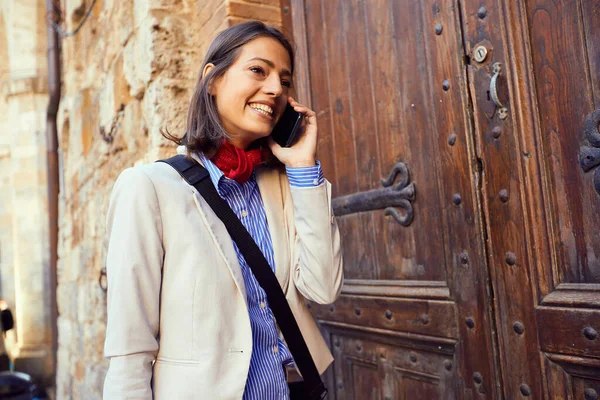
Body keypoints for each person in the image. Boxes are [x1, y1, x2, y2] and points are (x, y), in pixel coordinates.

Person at [102, 21, 344, 399]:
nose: (275, 89)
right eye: (258, 70)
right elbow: (130, 348)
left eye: (285, 80)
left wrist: (302, 168)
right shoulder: (149, 188)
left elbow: (323, 288)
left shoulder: (284, 186)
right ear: (212, 80)